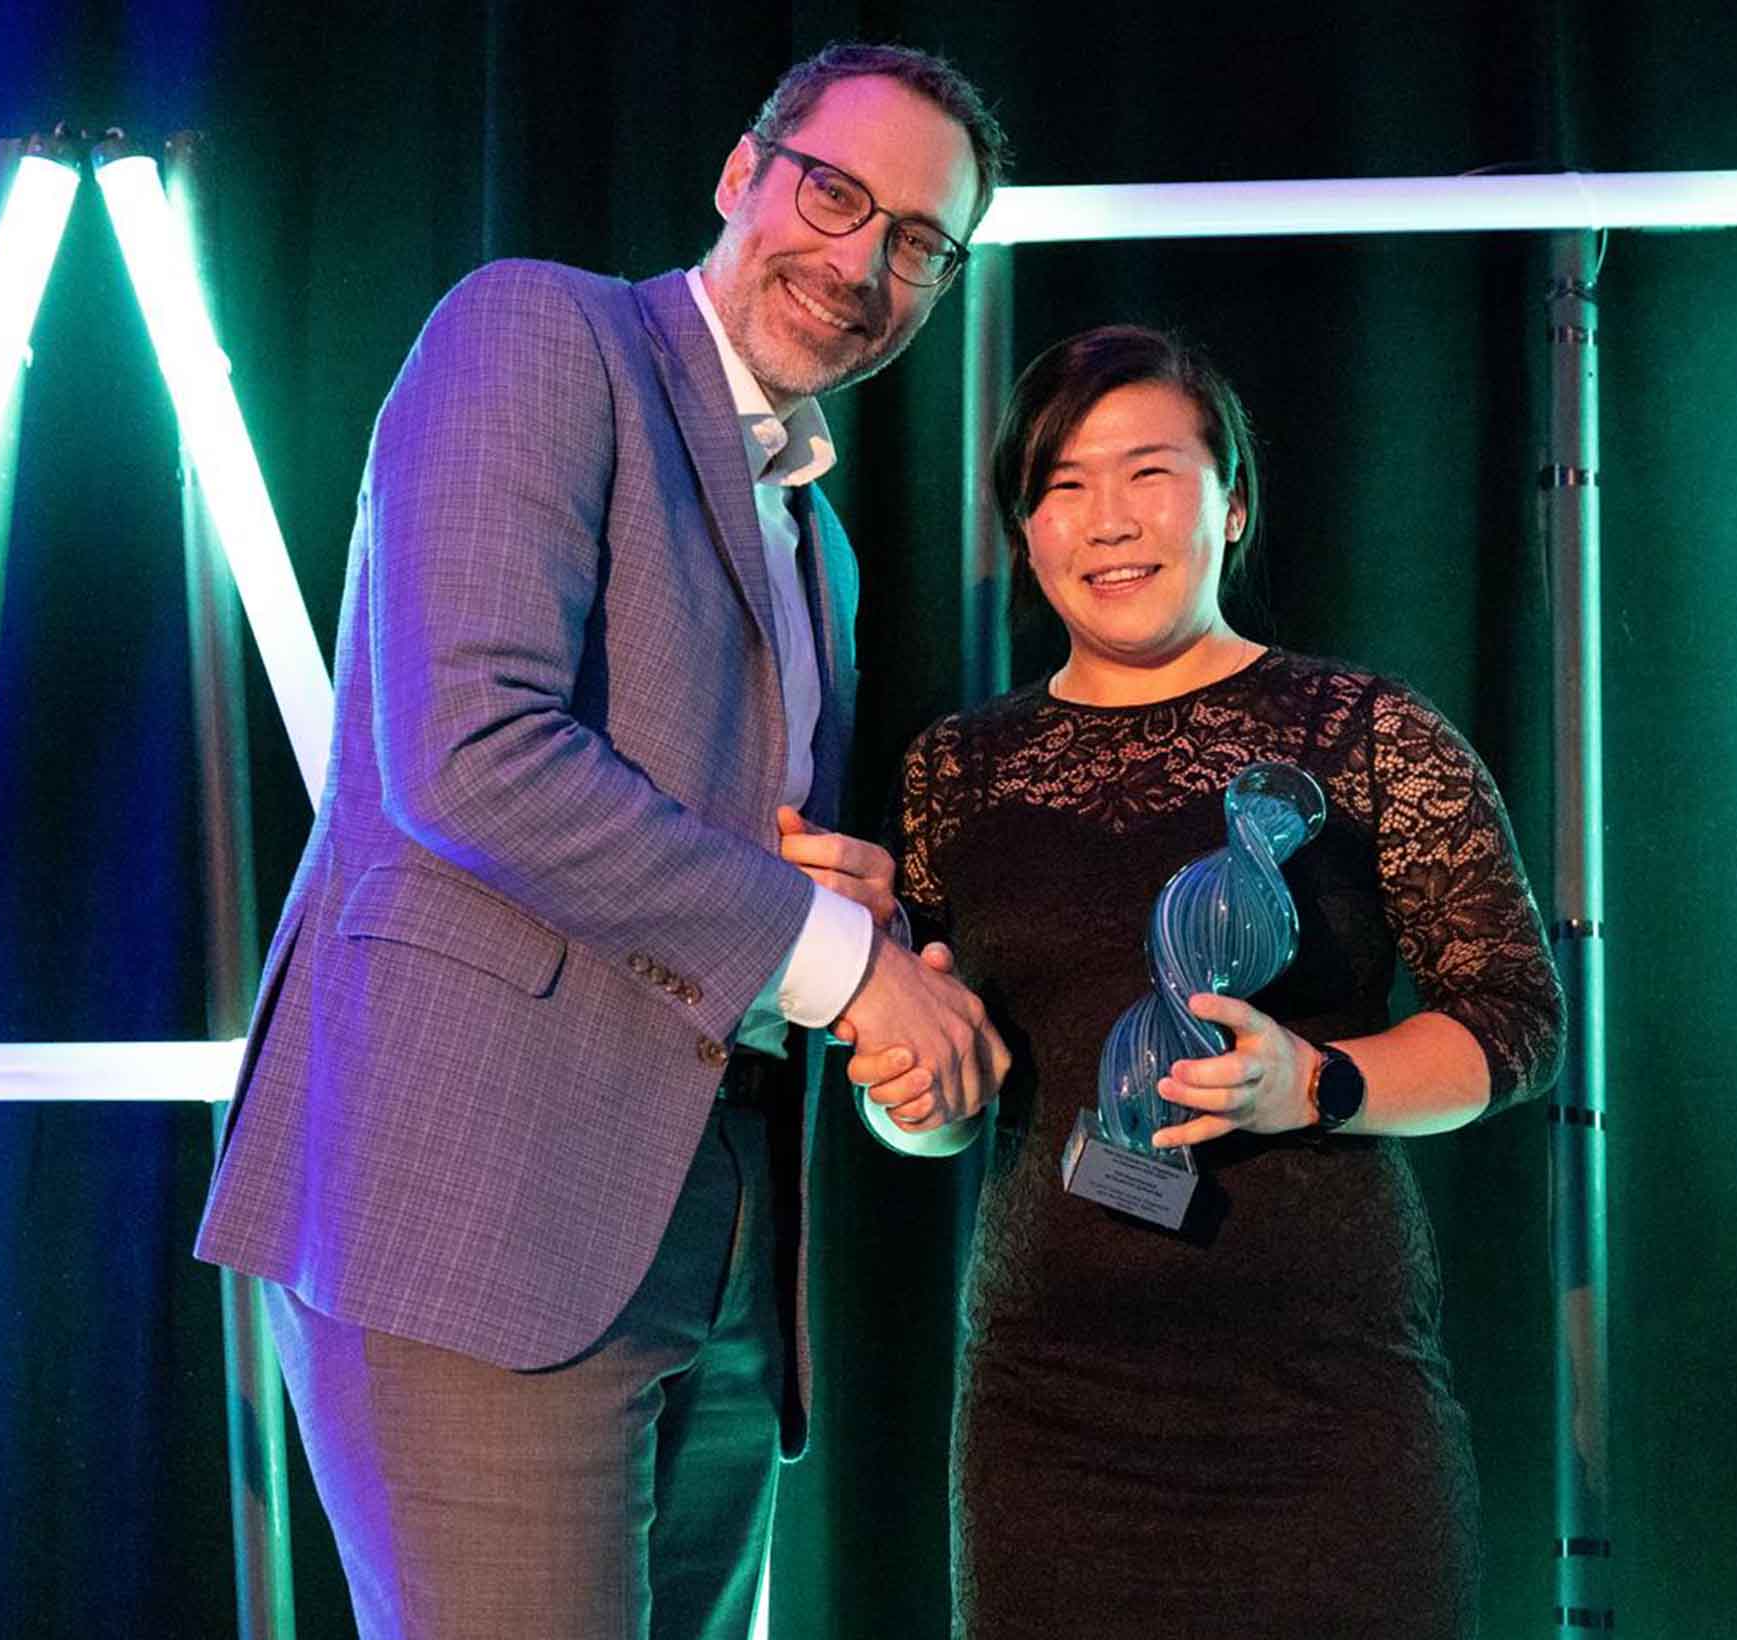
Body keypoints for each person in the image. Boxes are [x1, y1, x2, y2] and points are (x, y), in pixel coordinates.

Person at [195, 44, 1012, 1640]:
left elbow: (719, 872)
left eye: (920, 241)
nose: (863, 262)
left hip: (717, 1246)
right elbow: (471, 756)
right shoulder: (541, 331)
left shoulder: (819, 540)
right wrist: (844, 965)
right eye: (835, 195)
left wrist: (841, 915)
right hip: (479, 1212)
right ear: (741, 172)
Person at [850, 326, 1565, 1637]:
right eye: (1062, 484)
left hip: (1331, 1413)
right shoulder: (956, 770)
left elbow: (1518, 1023)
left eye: (1149, 473)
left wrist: (1318, 1083)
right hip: (1048, 1418)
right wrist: (910, 1103)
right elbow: (937, 1098)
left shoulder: (1364, 732)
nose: (1108, 520)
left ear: (1231, 502)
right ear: (1024, 528)